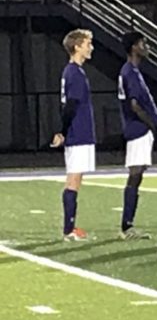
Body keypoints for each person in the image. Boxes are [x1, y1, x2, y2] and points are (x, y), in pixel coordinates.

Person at [117, 32, 157, 240]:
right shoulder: (131, 72)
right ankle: (127, 225)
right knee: (135, 174)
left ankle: (128, 225)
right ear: (134, 47)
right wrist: (151, 123)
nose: (146, 47)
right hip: (138, 129)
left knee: (137, 174)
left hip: (136, 129)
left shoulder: (130, 71)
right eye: (143, 43)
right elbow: (135, 105)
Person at [51, 29, 95, 242]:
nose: (91, 47)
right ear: (77, 46)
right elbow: (71, 105)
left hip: (78, 131)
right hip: (78, 132)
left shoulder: (73, 72)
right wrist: (64, 131)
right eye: (87, 43)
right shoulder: (74, 73)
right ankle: (69, 228)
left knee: (76, 179)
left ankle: (70, 227)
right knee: (74, 179)